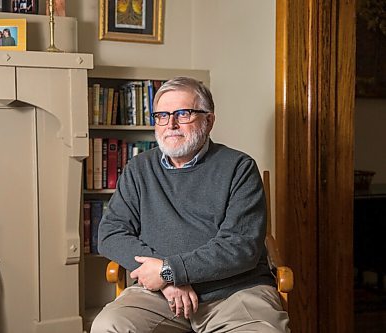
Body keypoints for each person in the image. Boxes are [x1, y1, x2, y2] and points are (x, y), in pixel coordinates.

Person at [91, 77, 290, 333]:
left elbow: (240, 246)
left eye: (182, 114)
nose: (170, 124)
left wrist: (169, 271)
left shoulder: (239, 168)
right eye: (161, 115)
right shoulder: (138, 169)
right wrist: (167, 280)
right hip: (159, 296)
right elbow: (110, 234)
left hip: (234, 293)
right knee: (109, 326)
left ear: (209, 120)